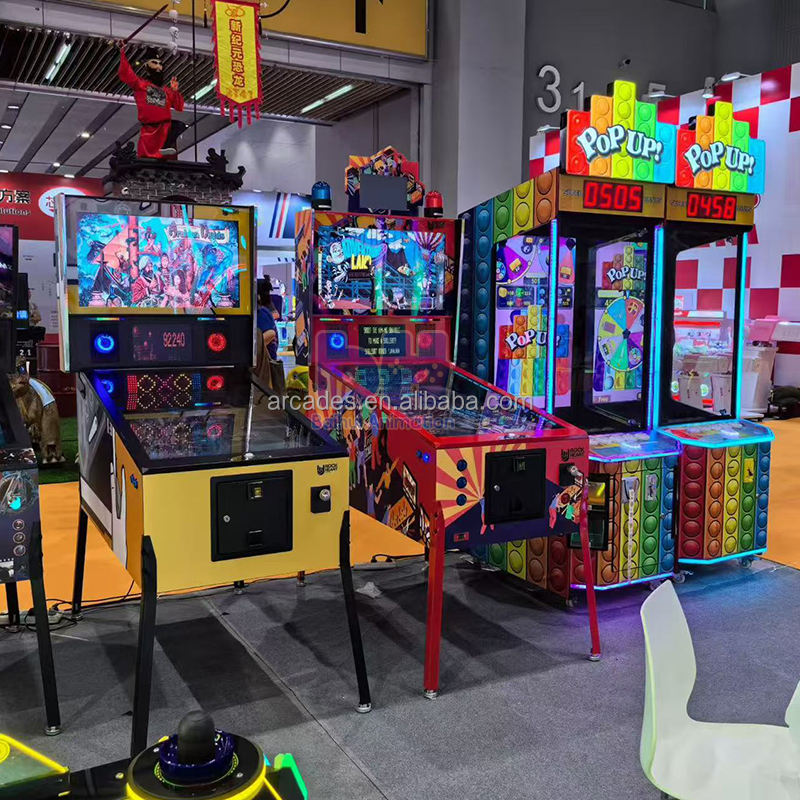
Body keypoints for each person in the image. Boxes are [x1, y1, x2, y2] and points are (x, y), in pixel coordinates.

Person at [118, 44, 186, 158]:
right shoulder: (141, 85)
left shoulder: (166, 91)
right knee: (148, 161)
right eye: (154, 63)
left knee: (178, 126)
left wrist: (175, 91)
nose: (158, 66)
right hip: (150, 133)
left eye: (160, 64)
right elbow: (126, 73)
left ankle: (164, 148)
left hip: (166, 132)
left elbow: (179, 106)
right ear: (146, 66)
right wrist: (122, 52)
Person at [256, 278, 279, 360]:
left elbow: (270, 333)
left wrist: (255, 349)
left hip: (265, 362)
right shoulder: (264, 309)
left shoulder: (261, 312)